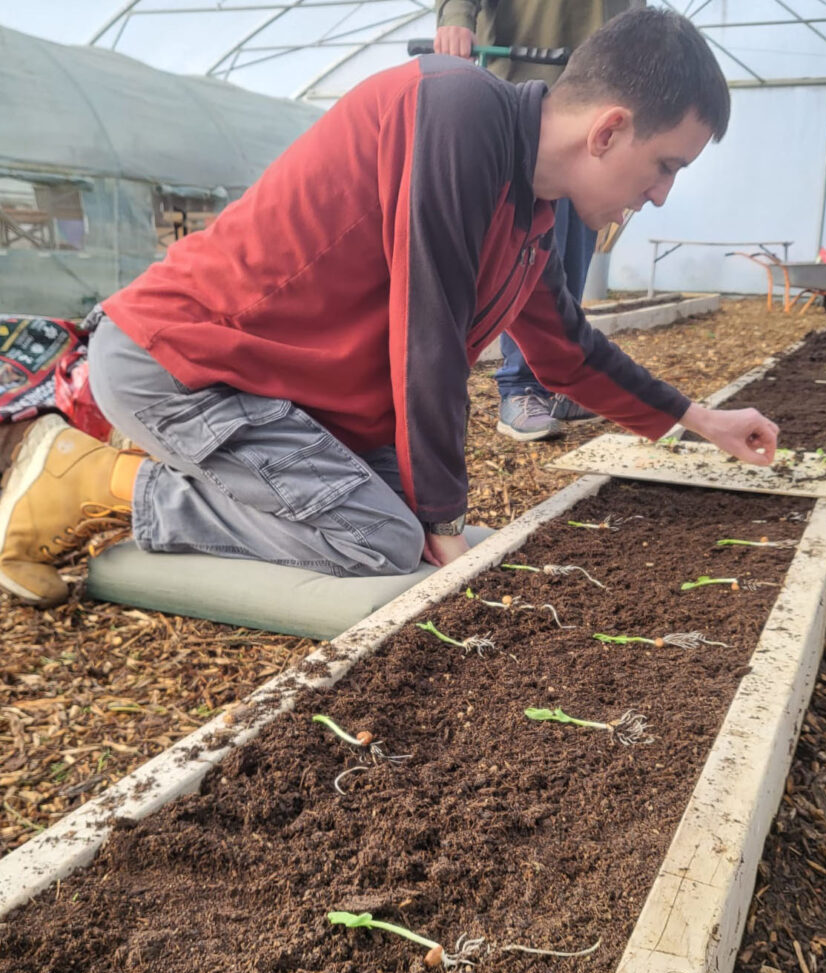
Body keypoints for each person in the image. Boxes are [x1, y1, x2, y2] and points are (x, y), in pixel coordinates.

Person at [0, 8, 778, 610]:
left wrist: (699, 421)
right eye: (665, 165)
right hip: (184, 364)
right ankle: (94, 482)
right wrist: (441, 522)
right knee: (379, 542)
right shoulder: (456, 109)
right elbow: (427, 331)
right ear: (609, 130)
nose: (661, 193)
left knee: (398, 531)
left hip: (272, 394)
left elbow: (567, 350)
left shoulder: (531, 209)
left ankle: (171, 476)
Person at [434, 0, 640, 442]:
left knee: (571, 259)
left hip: (599, 97)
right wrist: (456, 20)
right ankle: (520, 387)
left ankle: (556, 382)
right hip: (525, 85)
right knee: (531, 253)